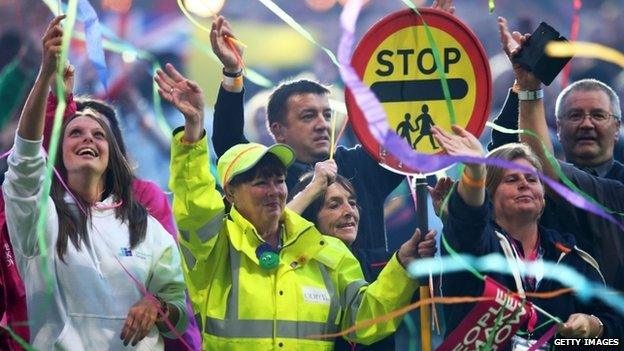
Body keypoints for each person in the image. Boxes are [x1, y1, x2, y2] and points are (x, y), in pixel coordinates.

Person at [157, 62, 427, 351]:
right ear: (230, 194)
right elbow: (196, 199)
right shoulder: (218, 247)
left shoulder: (325, 249)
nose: (273, 190)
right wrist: (195, 127)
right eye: (261, 182)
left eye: (279, 180)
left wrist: (400, 267)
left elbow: (365, 316)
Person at [209, 0, 456, 254]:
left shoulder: (360, 165)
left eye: (327, 114)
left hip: (370, 293)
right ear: (278, 130)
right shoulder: (269, 177)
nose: (322, 124)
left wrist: (431, 39)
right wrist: (232, 72)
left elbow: (412, 133)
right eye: (308, 116)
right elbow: (228, 143)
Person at [2, 16, 188, 350]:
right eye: (75, 131)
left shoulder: (144, 224)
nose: (88, 137)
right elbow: (26, 155)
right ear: (59, 152)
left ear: (111, 153)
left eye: (98, 134)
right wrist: (45, 75)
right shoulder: (37, 219)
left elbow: (178, 308)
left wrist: (157, 305)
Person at [431, 125, 622, 348]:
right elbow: (467, 221)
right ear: (489, 195)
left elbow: (615, 337)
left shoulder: (572, 258)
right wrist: (475, 171)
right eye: (511, 180)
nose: (524, 184)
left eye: (532, 180)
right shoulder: (476, 246)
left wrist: (593, 325)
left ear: (543, 196)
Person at [495, 16, 624, 291]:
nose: (586, 123)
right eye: (575, 115)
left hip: (611, 328)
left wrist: (530, 88)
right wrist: (522, 85)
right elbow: (504, 153)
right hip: (546, 325)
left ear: (617, 128)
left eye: (598, 115)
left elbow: (543, 166)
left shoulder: (618, 188)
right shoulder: (528, 186)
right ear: (558, 128)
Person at [287, 160, 437, 351]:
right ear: (310, 217)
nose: (349, 211)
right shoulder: (284, 265)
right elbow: (275, 232)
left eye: (352, 202)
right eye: (334, 205)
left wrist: (405, 263)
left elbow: (366, 321)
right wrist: (313, 187)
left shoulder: (382, 262)